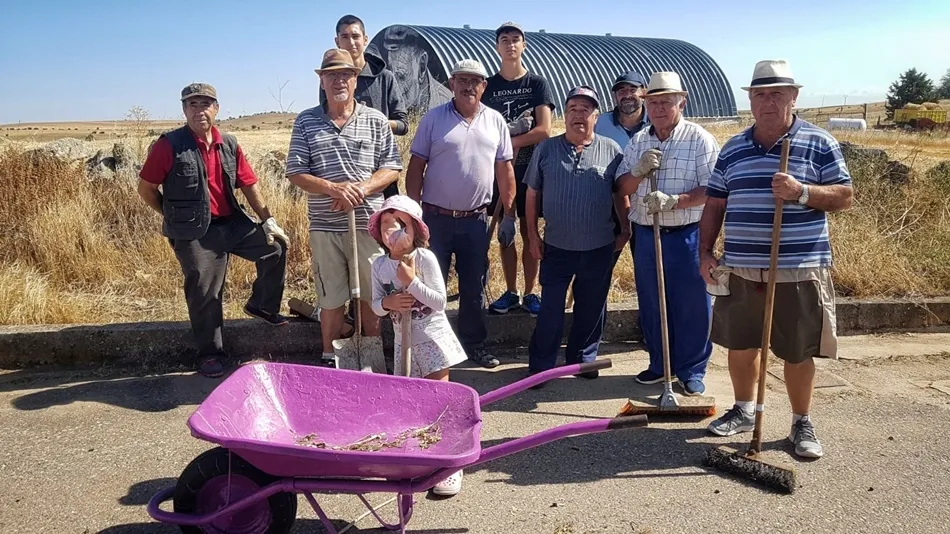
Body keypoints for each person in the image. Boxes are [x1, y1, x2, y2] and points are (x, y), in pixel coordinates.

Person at [701, 60, 853, 459]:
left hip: (798, 267)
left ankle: (801, 421)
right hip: (742, 264)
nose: (768, 102)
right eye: (760, 95)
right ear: (750, 100)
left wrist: (802, 192)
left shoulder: (820, 142)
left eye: (776, 94)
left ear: (793, 97)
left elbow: (845, 197)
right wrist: (704, 251)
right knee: (740, 344)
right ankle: (744, 409)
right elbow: (715, 204)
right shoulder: (733, 147)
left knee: (798, 350)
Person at [138, 83, 289, 378]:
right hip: (194, 232)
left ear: (216, 109)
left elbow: (249, 185)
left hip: (231, 223)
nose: (199, 110)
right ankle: (210, 354)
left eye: (205, 104)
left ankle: (261, 305)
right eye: (192, 105)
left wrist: (268, 220)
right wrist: (174, 216)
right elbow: (146, 190)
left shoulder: (229, 144)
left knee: (275, 248)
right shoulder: (168, 145)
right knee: (205, 287)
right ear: (184, 110)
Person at [285, 49, 403, 367]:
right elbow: (296, 171)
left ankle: (369, 355)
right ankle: (329, 357)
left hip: (368, 225)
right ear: (322, 81)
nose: (339, 80)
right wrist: (333, 188)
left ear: (355, 80)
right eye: (331, 75)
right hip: (325, 226)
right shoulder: (307, 122)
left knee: (371, 295)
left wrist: (360, 190)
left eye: (345, 75)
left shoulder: (376, 121)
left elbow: (392, 168)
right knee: (332, 296)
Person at [406, 58, 517, 369]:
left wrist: (510, 214)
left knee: (473, 286)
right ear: (452, 83)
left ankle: (474, 346)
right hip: (435, 220)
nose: (469, 86)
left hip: (476, 222)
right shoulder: (433, 119)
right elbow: (416, 167)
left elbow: (505, 170)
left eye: (476, 81)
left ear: (484, 86)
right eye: (462, 80)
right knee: (428, 284)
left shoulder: (495, 121)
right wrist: (412, 215)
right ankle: (430, 349)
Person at [615, 71, 720, 396]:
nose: (659, 108)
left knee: (691, 304)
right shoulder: (640, 141)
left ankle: (691, 370)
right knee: (652, 300)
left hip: (686, 232)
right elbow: (620, 186)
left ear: (681, 102)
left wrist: (676, 201)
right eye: (654, 102)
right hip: (647, 234)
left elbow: (715, 189)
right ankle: (661, 365)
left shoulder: (699, 139)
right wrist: (638, 171)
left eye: (666, 102)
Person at [524, 86, 624, 384]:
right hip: (556, 246)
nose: (578, 115)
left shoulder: (612, 150)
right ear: (564, 116)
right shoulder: (547, 149)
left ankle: (582, 360)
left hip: (599, 245)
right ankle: (541, 365)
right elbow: (532, 194)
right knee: (551, 309)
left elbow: (620, 195)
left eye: (585, 110)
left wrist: (626, 229)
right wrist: (531, 235)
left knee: (591, 306)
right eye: (572, 110)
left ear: (596, 116)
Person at [368, 194, 467, 496]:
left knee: (440, 402)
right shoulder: (379, 265)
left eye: (401, 224)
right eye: (387, 224)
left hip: (433, 341)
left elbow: (439, 302)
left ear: (416, 231)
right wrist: (389, 301)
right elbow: (374, 305)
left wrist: (411, 281)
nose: (393, 230)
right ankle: (418, 460)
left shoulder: (424, 259)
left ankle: (450, 466)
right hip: (405, 344)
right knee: (411, 404)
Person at [482, 21, 556, 318]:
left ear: (523, 45)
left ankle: (530, 292)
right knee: (505, 232)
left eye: (515, 39)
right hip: (499, 172)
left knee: (529, 231)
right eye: (504, 39)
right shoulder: (488, 86)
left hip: (531, 171)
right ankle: (511, 292)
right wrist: (503, 144)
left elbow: (545, 130)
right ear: (497, 47)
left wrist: (514, 140)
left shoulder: (537, 84)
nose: (510, 44)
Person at [325, 14, 409, 199]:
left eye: (355, 36)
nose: (351, 42)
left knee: (386, 225)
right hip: (344, 172)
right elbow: (326, 121)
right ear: (337, 41)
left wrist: (375, 124)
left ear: (365, 39)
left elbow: (403, 124)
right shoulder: (330, 80)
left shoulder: (385, 77)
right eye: (345, 37)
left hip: (381, 171)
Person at [595, 71, 649, 328]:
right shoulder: (601, 122)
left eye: (632, 89)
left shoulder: (658, 121)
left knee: (648, 275)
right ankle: (593, 332)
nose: (627, 95)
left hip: (649, 209)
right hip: (609, 210)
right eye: (621, 91)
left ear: (644, 92)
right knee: (599, 273)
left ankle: (651, 331)